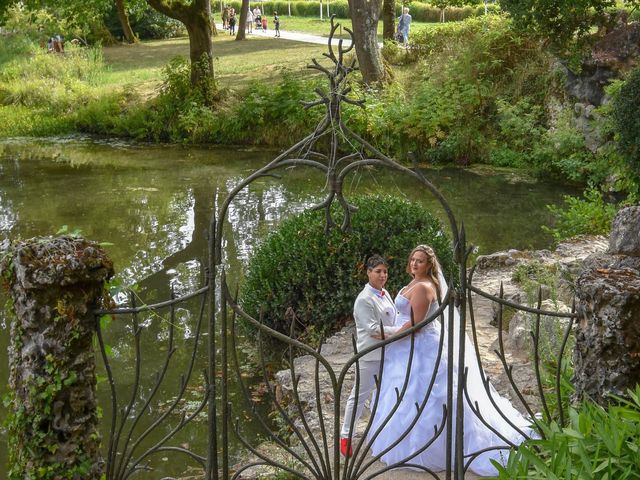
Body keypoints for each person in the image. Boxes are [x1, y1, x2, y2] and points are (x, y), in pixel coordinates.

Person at [367, 245, 536, 476]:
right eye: (413, 259)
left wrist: (387, 335)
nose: (415, 264)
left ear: (429, 265)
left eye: (421, 261)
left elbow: (415, 326)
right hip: (405, 347)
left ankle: (438, 446)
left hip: (422, 346)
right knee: (404, 394)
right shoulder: (413, 283)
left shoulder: (424, 287)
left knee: (427, 393)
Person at [340, 255, 407, 457]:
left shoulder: (384, 293)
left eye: (385, 271)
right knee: (359, 395)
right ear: (368, 272)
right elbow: (372, 330)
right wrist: (401, 330)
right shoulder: (364, 299)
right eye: (378, 271)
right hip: (370, 355)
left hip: (390, 353)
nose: (382, 275)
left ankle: (382, 433)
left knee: (385, 394)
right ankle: (345, 436)